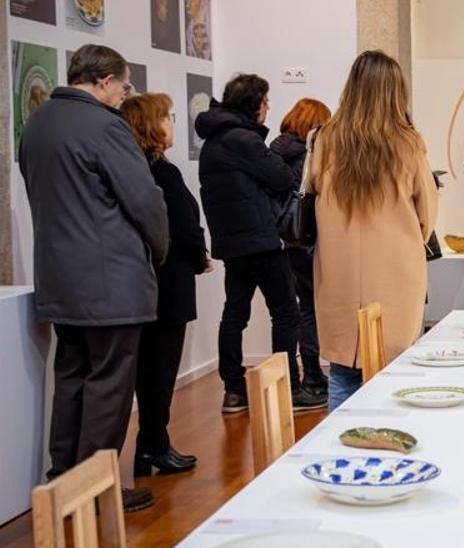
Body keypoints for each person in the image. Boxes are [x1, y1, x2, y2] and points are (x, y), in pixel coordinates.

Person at [19, 44, 167, 511]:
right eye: (124, 85)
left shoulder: (38, 122)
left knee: (73, 377)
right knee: (109, 385)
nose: (126, 95)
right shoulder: (106, 127)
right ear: (103, 81)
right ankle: (96, 488)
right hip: (111, 282)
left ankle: (63, 479)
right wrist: (159, 251)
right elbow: (145, 201)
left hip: (59, 277)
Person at [309, 50, 439, 410]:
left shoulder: (325, 139)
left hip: (339, 270)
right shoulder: (408, 142)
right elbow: (427, 213)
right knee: (395, 370)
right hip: (396, 271)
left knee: (343, 369)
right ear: (395, 92)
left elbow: (312, 191)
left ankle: (342, 446)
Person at [197, 74, 326, 413]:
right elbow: (283, 178)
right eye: (266, 102)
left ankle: (234, 390)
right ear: (254, 104)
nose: (268, 108)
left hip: (230, 241)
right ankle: (289, 387)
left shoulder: (213, 142)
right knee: (286, 314)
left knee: (234, 314)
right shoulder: (244, 140)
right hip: (263, 239)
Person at [120, 92, 209, 477]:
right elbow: (182, 228)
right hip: (169, 280)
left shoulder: (136, 168)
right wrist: (198, 254)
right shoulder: (162, 171)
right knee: (160, 371)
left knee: (149, 371)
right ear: (149, 126)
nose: (172, 123)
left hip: (148, 281)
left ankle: (150, 445)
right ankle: (153, 445)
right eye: (167, 118)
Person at [270, 98, 333, 395]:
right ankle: (313, 374)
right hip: (308, 239)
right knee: (312, 308)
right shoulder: (307, 156)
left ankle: (309, 375)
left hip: (287, 238)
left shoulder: (274, 151)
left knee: (303, 308)